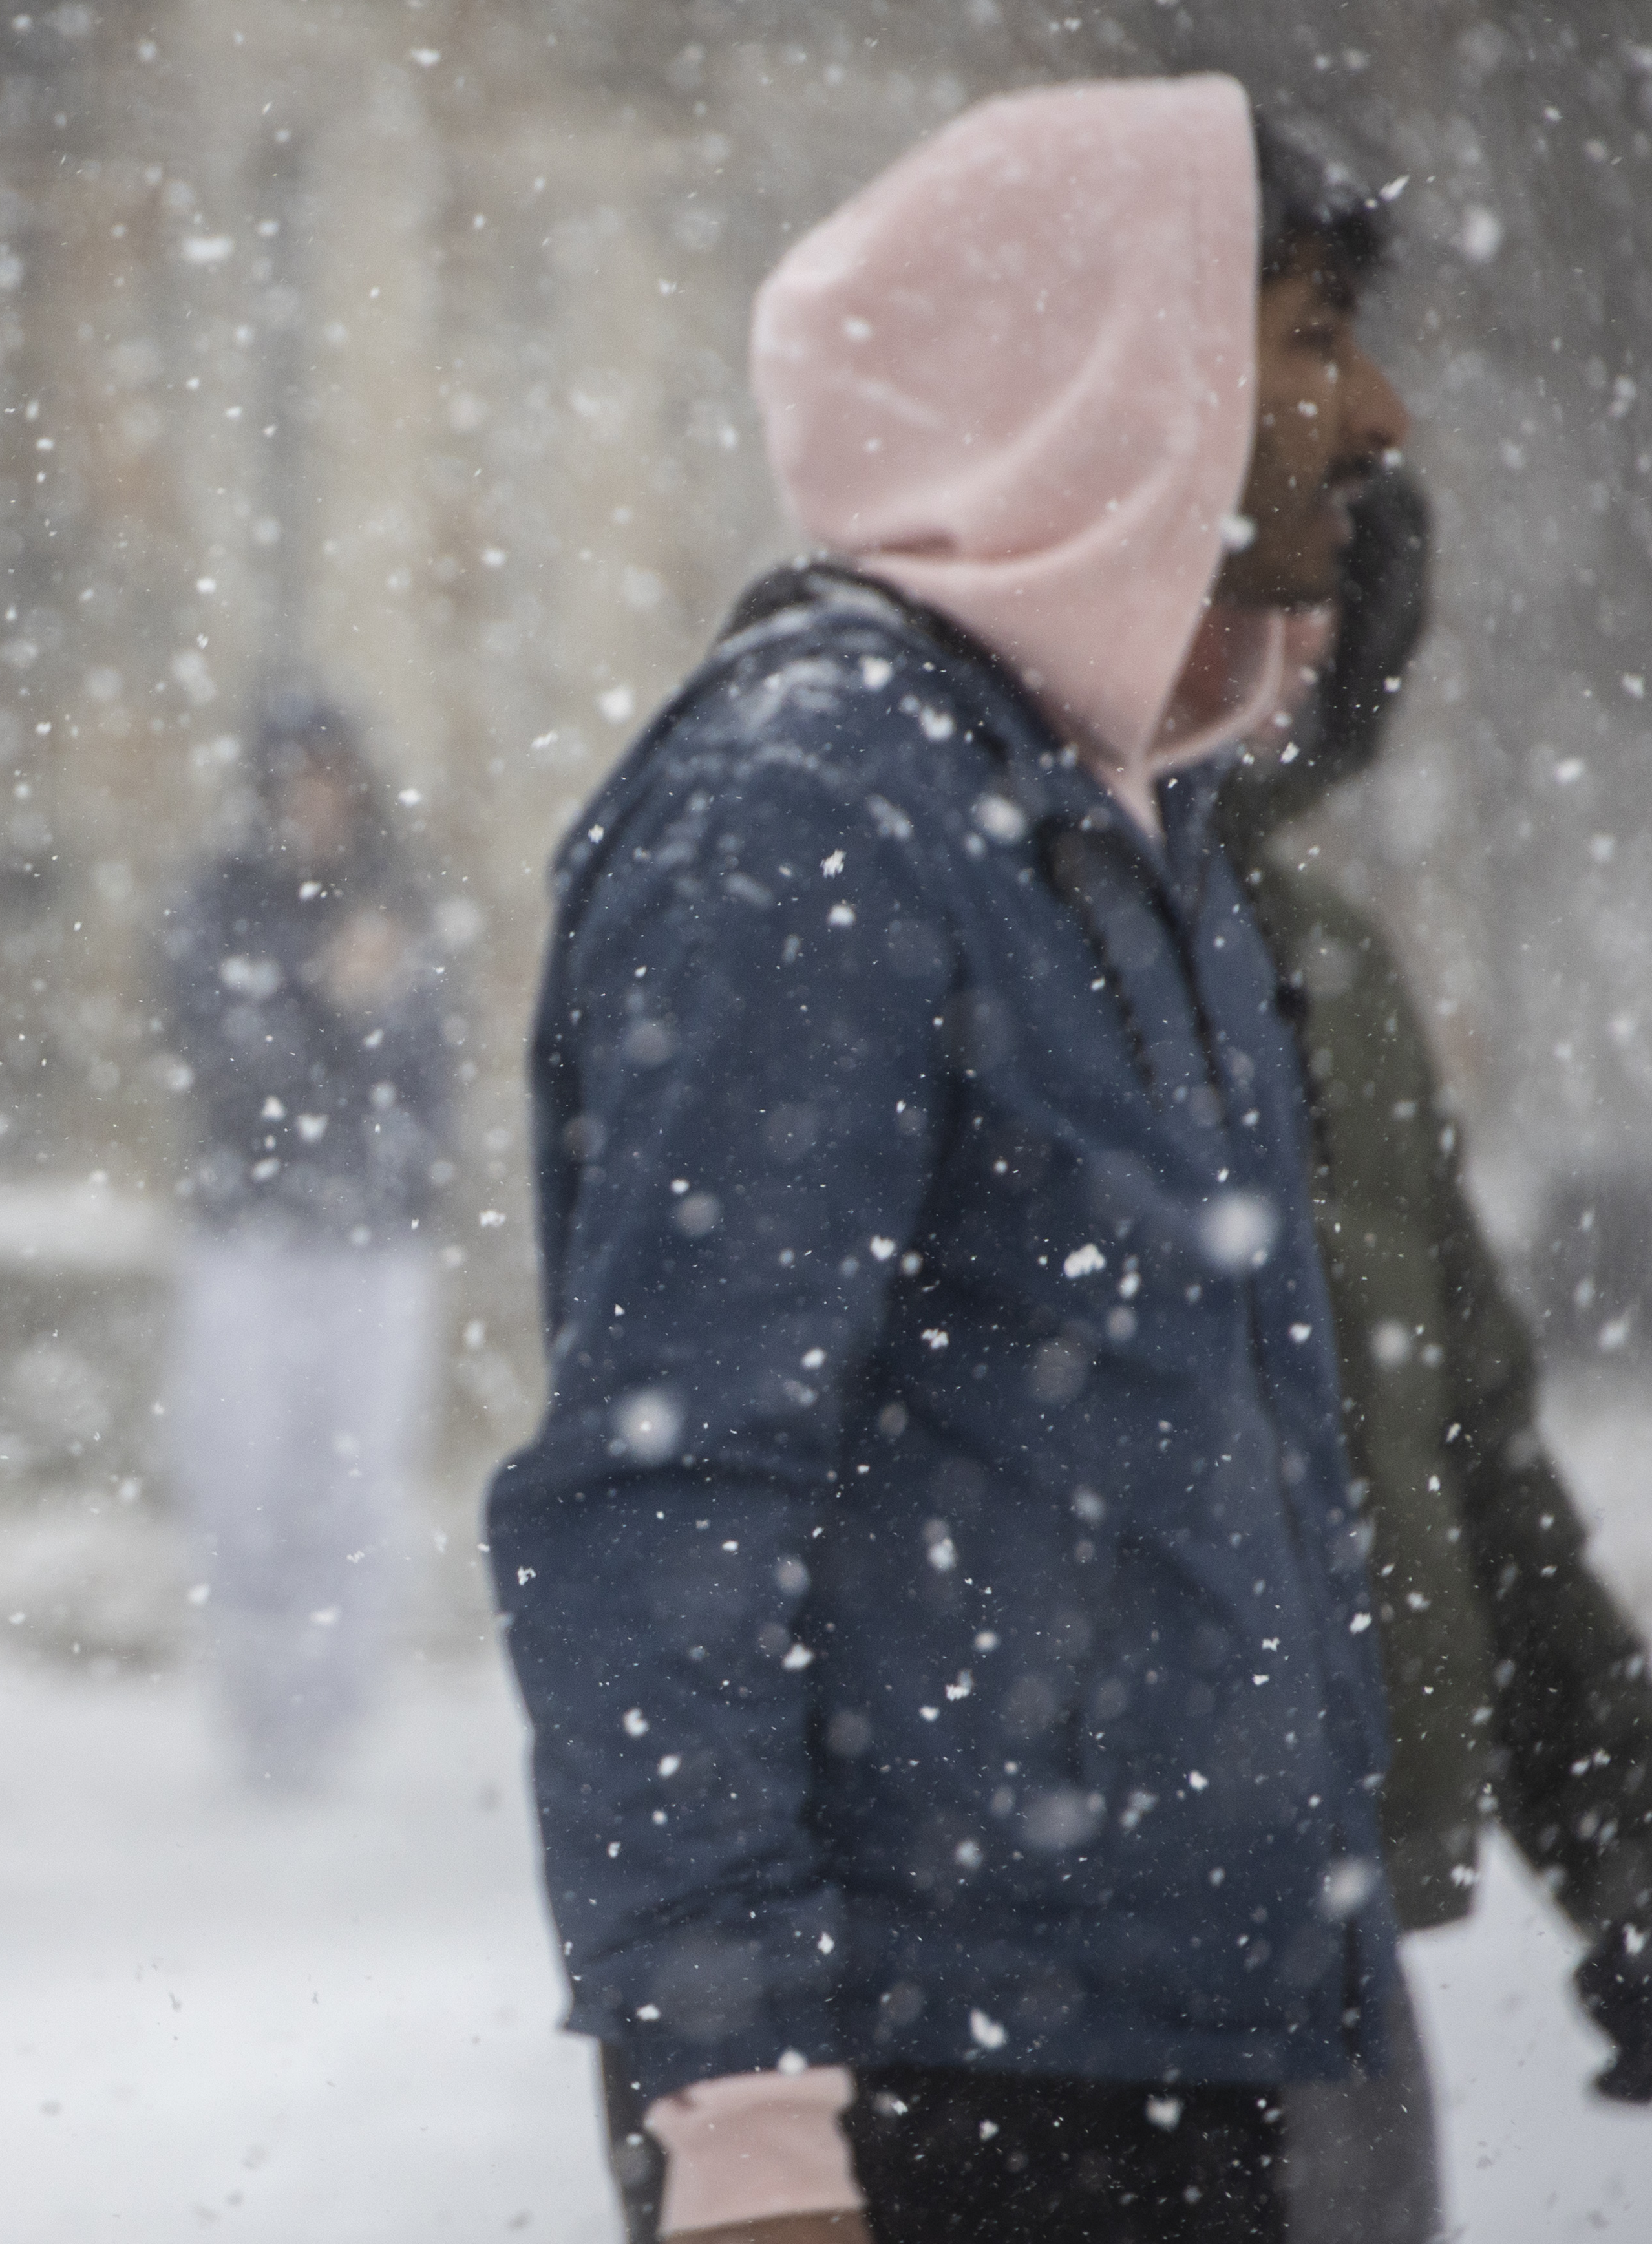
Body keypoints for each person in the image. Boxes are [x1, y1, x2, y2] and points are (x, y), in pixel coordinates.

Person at [486, 81, 1412, 2244]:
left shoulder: (1113, 819)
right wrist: (735, 2121)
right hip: (932, 2105)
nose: (1364, 413)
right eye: (1297, 333)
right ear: (1110, 369)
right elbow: (662, 1487)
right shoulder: (814, 808)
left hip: (1167, 2057)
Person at [1215, 461, 1652, 2241]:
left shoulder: (1331, 972)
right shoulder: (1021, 937)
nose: (1307, 644)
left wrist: (1621, 1829)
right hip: (1066, 1984)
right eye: (1273, 581)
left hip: (1333, 1952)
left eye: (1342, 599)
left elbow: (1469, 1451)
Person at [156, 695, 451, 1788]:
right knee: (245, 1479)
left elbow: (428, 1074)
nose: (317, 805)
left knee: (358, 1483)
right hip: (254, 1234)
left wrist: (379, 1024)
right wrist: (329, 1000)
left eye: (334, 781)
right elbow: (228, 1062)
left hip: (376, 1241)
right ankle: (258, 1717)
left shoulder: (400, 901)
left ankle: (336, 1723)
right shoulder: (220, 909)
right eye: (297, 782)